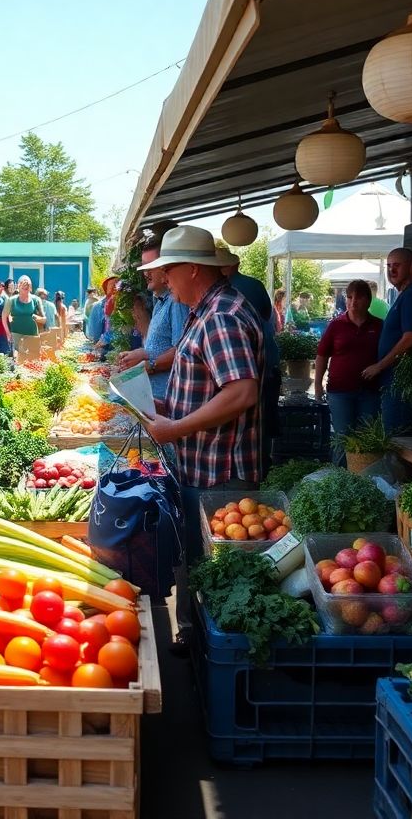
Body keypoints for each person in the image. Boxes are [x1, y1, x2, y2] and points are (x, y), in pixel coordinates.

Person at [140, 226, 262, 649]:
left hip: (220, 475)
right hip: (202, 467)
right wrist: (165, 411)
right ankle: (197, 651)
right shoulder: (204, 311)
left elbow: (242, 391)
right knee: (200, 568)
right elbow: (210, 386)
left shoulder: (223, 316)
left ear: (193, 269)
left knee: (217, 578)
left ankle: (210, 663)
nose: (164, 280)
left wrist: (174, 427)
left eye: (168, 270)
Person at [220, 248, 280, 480]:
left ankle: (257, 470)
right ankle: (263, 467)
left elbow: (240, 394)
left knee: (248, 419)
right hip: (267, 360)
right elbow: (266, 314)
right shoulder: (254, 285)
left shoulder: (226, 299)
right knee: (261, 419)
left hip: (248, 366)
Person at [363, 248, 412, 436]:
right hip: (396, 382)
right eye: (388, 266)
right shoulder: (404, 294)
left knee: (400, 443)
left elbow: (411, 338)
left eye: (397, 265)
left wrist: (379, 366)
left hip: (404, 384)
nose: (391, 271)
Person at [315, 280, 383, 463]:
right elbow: (321, 356)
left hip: (370, 392)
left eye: (359, 298)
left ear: (368, 300)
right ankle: (339, 479)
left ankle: (365, 479)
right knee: (342, 438)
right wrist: (317, 386)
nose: (353, 302)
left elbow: (390, 355)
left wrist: (379, 367)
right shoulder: (336, 325)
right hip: (339, 392)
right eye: (350, 297)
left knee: (367, 438)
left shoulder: (379, 326)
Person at [117, 230, 190, 402]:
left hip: (167, 398)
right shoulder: (159, 300)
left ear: (166, 268)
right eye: (144, 267)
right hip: (155, 395)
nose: (145, 272)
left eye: (151, 266)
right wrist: (140, 353)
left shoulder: (176, 301)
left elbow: (181, 351)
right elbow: (161, 345)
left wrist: (149, 365)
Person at [2, 275, 45, 353]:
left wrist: (37, 318)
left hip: (32, 334)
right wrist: (8, 333)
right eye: (23, 286)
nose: (25, 288)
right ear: (18, 287)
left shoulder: (36, 300)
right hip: (16, 334)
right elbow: (4, 317)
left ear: (31, 288)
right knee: (17, 360)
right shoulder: (11, 300)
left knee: (33, 359)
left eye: (27, 286)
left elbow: (44, 319)